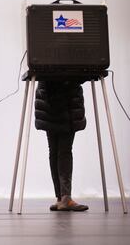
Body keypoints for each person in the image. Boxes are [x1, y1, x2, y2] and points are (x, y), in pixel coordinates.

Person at [35, 80, 89, 211]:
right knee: (63, 151)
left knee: (54, 151)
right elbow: (80, 73)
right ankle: (65, 198)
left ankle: (61, 198)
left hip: (47, 97)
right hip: (66, 99)